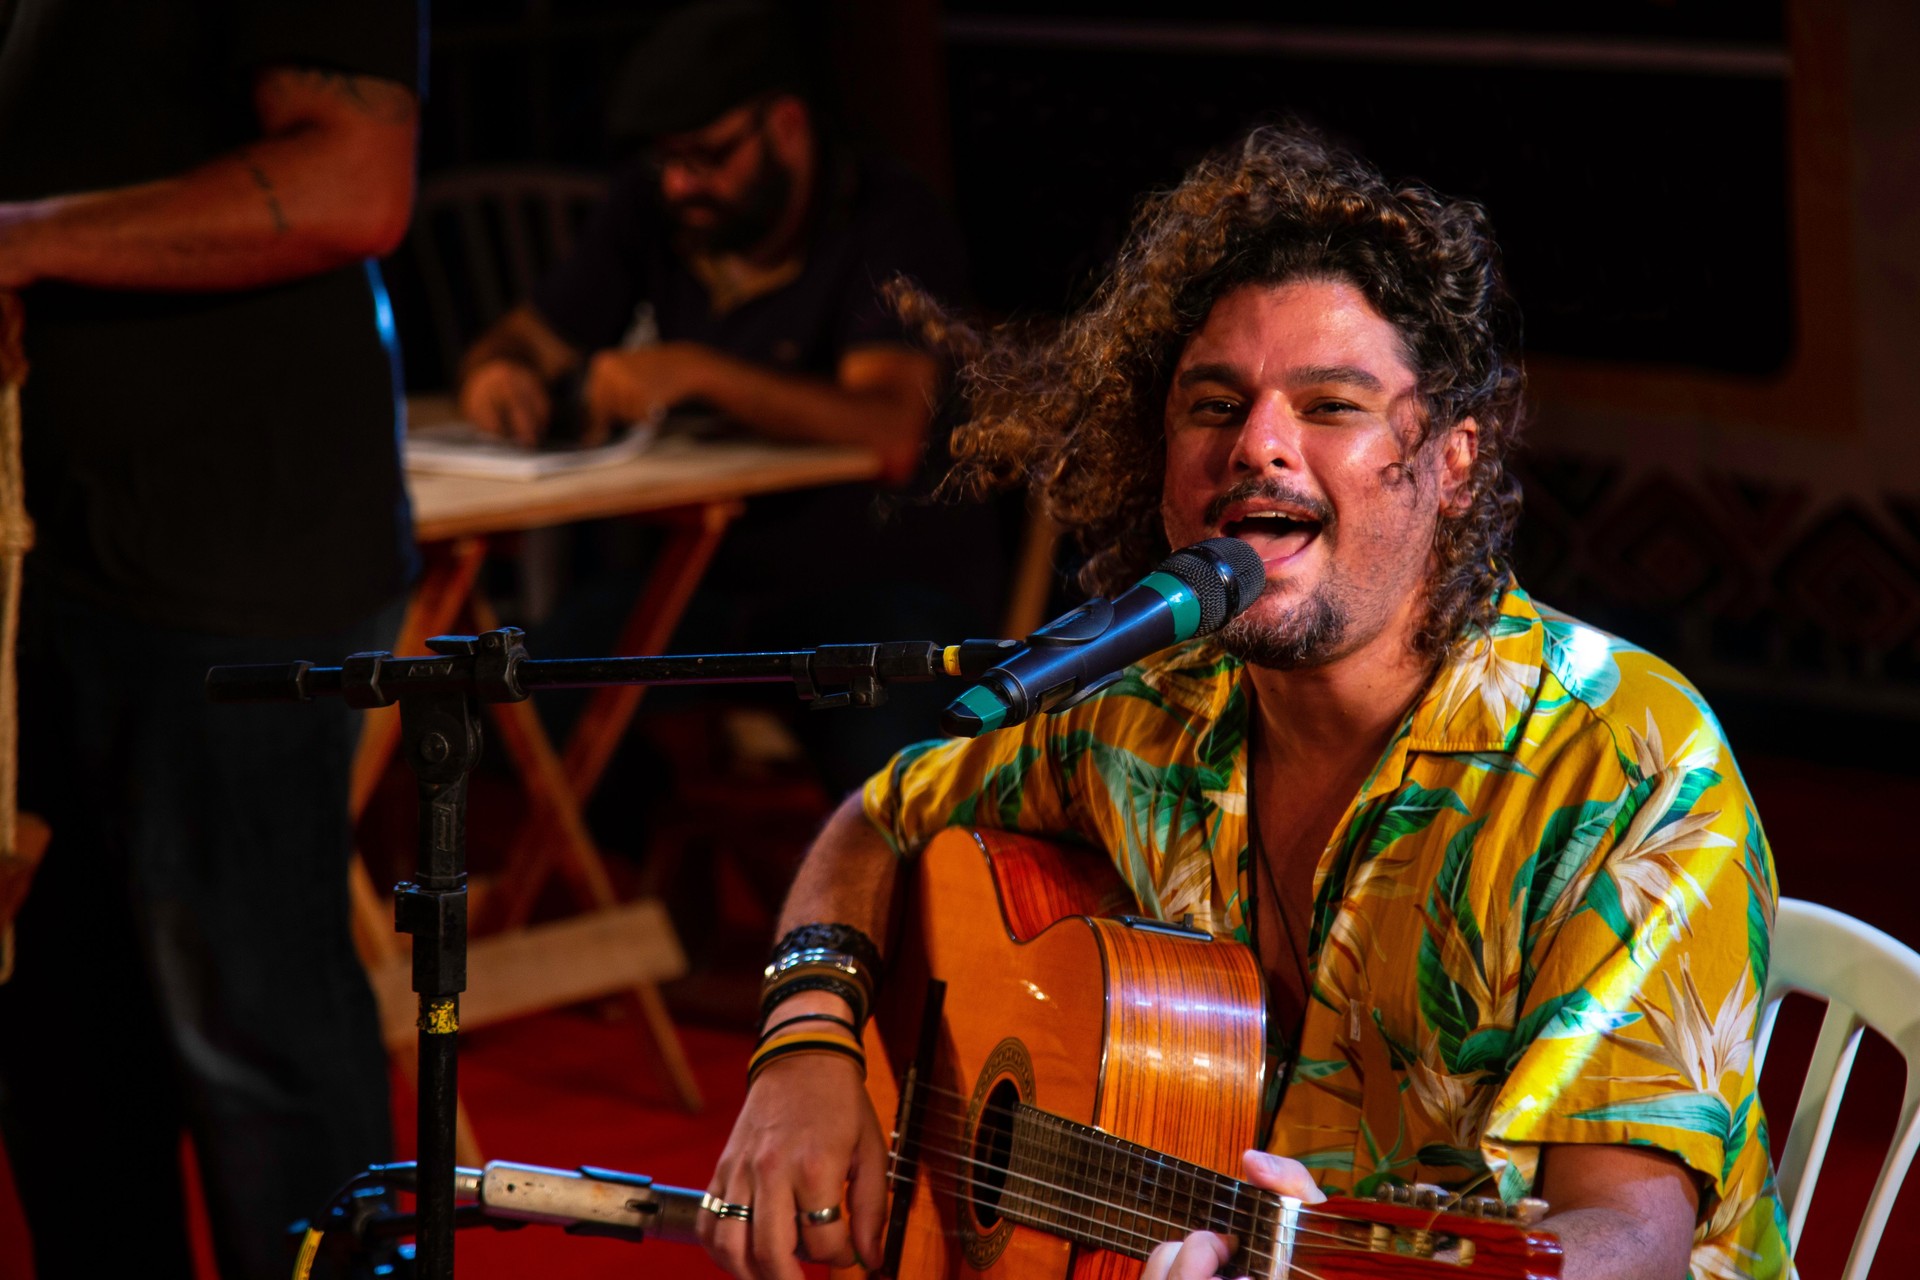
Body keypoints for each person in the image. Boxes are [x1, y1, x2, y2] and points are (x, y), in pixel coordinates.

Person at [698, 127, 1790, 1280]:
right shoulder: (1146, 703)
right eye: (1213, 404)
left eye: (1330, 404)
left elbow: (1631, 1234)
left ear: (1453, 461)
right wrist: (807, 1040)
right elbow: (879, 815)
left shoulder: (1626, 765)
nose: (1257, 444)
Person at [0, 5, 423, 1278]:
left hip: (232, 560)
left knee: (256, 1036)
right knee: (63, 1041)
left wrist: (21, 244)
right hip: (66, 549)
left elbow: (357, 178)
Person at [455, 0, 985, 793]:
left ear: (788, 128)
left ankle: (868, 917)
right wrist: (499, 372)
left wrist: (698, 371)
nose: (680, 183)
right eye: (665, 161)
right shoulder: (660, 209)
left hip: (877, 582)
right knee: (501, 710)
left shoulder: (887, 219)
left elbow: (888, 428)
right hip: (702, 580)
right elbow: (527, 336)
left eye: (706, 157)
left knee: (896, 777)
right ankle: (605, 901)